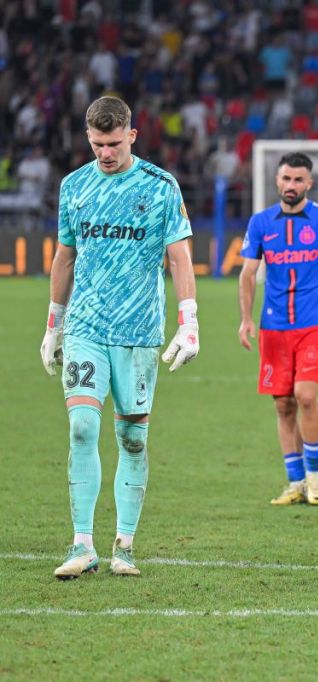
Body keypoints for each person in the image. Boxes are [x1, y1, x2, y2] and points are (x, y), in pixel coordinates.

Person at [40, 96, 199, 579]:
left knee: (132, 439)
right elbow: (65, 257)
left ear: (131, 134)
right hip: (86, 327)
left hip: (138, 332)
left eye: (112, 143)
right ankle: (82, 543)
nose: (104, 154)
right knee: (82, 427)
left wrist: (188, 320)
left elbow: (178, 257)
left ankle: (124, 545)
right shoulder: (75, 186)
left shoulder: (160, 185)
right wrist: (53, 325)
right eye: (96, 145)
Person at [238, 153, 318, 505]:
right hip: (273, 328)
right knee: (283, 405)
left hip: (312, 325)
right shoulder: (260, 223)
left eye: (298, 180)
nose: (291, 186)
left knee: (306, 396)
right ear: (277, 180)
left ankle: (315, 476)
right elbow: (247, 274)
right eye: (286, 179)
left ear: (309, 183)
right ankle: (295, 482)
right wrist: (246, 318)